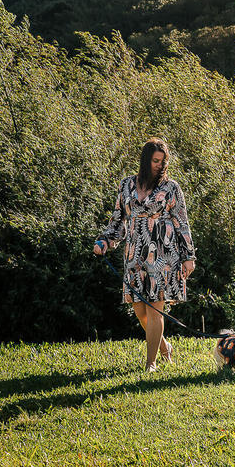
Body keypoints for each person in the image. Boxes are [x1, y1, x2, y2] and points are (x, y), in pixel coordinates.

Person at [94, 138, 196, 372]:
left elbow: (182, 223)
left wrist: (188, 256)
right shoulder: (127, 185)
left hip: (163, 254)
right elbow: (118, 220)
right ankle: (164, 347)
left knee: (155, 308)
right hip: (134, 254)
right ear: (145, 160)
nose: (160, 165)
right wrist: (105, 241)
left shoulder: (171, 188)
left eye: (163, 161)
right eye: (155, 161)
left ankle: (151, 363)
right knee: (140, 310)